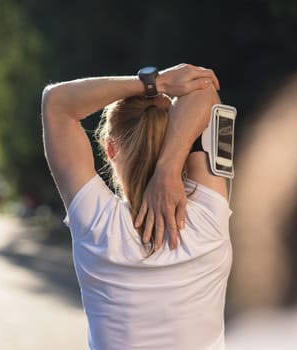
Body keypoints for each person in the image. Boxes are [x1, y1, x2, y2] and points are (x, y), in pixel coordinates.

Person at [41, 64, 232, 350]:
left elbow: (56, 103)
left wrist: (158, 83)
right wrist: (168, 166)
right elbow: (205, 89)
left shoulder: (96, 225)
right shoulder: (209, 217)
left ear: (110, 149)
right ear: (178, 136)